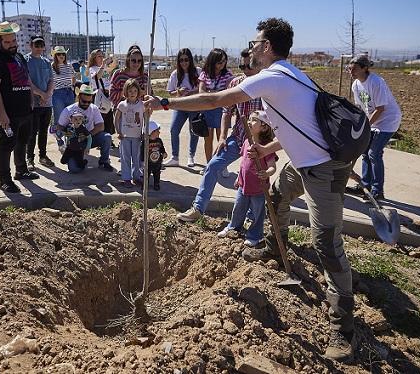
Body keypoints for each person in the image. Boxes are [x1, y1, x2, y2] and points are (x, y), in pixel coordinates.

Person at [145, 18, 356, 362]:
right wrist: (267, 148)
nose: (252, 46)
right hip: (302, 163)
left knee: (327, 243)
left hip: (323, 169)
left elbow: (214, 100)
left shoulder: (275, 76)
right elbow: (293, 124)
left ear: (268, 47)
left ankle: (343, 328)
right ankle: (275, 246)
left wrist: (166, 103)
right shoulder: (288, 75)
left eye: (256, 42)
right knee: (277, 196)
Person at [177, 49, 263, 222]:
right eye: (242, 65)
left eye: (249, 66)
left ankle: (252, 218)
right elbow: (226, 112)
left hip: (258, 143)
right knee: (213, 166)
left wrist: (265, 145)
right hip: (238, 138)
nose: (245, 69)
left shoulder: (265, 87)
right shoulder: (236, 84)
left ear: (258, 65)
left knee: (252, 179)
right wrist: (223, 137)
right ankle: (198, 208)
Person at [0, 22, 39, 193]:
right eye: (7, 42)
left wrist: (31, 100)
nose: (12, 44)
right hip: (8, 113)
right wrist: (1, 113)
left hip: (25, 110)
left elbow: (26, 80)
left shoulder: (19, 57)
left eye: (13, 41)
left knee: (23, 141)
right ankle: (5, 181)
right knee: (6, 145)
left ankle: (21, 170)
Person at [345, 54, 402, 201]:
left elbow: (381, 108)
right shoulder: (356, 84)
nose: (351, 72)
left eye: (354, 69)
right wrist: (358, 123)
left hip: (388, 121)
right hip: (372, 120)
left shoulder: (376, 82)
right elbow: (360, 107)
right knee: (364, 152)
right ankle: (365, 186)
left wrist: (366, 126)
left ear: (365, 68)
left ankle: (377, 191)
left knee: (374, 153)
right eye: (349, 69)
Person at [217, 110, 277, 247]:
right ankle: (234, 227)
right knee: (238, 208)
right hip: (244, 186)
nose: (249, 122)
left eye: (254, 120)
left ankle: (255, 235)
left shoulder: (266, 147)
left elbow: (272, 166)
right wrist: (238, 178)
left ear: (264, 126)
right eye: (249, 119)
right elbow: (243, 164)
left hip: (259, 188)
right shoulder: (246, 142)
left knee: (258, 213)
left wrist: (267, 173)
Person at [56, 84, 114, 172]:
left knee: (107, 137)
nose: (86, 104)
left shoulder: (94, 108)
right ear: (79, 97)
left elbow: (101, 126)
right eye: (84, 101)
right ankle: (78, 160)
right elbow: (59, 126)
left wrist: (87, 135)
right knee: (74, 170)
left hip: (90, 137)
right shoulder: (68, 110)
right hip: (74, 142)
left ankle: (104, 162)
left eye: (89, 102)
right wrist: (66, 132)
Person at [164, 48, 200, 168]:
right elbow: (170, 92)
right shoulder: (175, 74)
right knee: (174, 129)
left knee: (194, 131)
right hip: (179, 106)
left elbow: (203, 88)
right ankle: (175, 157)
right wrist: (178, 92)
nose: (184, 62)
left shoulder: (198, 72)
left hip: (194, 106)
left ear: (190, 60)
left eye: (186, 59)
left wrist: (192, 92)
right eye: (181, 60)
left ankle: (191, 156)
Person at [198, 48, 234, 164]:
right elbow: (201, 93)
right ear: (213, 61)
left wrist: (211, 94)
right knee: (208, 140)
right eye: (220, 62)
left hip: (222, 110)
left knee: (222, 139)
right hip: (207, 110)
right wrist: (218, 94)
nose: (222, 64)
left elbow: (229, 91)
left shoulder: (228, 74)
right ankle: (209, 164)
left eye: (224, 61)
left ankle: (222, 165)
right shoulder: (204, 74)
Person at [25, 35, 55, 170]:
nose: (39, 48)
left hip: (46, 103)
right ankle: (29, 158)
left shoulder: (46, 62)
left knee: (43, 132)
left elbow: (51, 80)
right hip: (32, 103)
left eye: (41, 45)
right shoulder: (25, 60)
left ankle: (43, 156)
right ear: (30, 45)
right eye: (36, 45)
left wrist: (47, 95)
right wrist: (41, 94)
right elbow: (27, 81)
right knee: (32, 132)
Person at [114, 78, 145, 187]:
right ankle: (126, 178)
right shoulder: (122, 105)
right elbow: (116, 119)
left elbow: (145, 118)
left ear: (138, 92)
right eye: (130, 91)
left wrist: (144, 132)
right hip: (125, 136)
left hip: (137, 136)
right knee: (125, 157)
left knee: (136, 158)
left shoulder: (142, 104)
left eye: (135, 91)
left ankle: (136, 176)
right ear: (126, 92)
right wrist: (118, 131)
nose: (132, 93)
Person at [50, 46, 76, 128]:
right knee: (59, 117)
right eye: (59, 54)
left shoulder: (69, 65)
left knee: (70, 117)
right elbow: (50, 81)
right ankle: (59, 138)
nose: (61, 56)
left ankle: (69, 138)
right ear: (55, 56)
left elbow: (74, 76)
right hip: (57, 94)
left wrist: (72, 86)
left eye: (63, 54)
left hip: (69, 92)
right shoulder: (52, 66)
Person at [142, 120, 167, 190]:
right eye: (157, 131)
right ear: (151, 132)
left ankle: (156, 184)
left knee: (157, 174)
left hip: (158, 161)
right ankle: (145, 185)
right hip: (148, 162)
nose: (159, 132)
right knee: (146, 174)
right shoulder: (145, 141)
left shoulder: (159, 140)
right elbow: (142, 151)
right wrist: (142, 160)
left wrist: (164, 153)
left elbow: (162, 148)